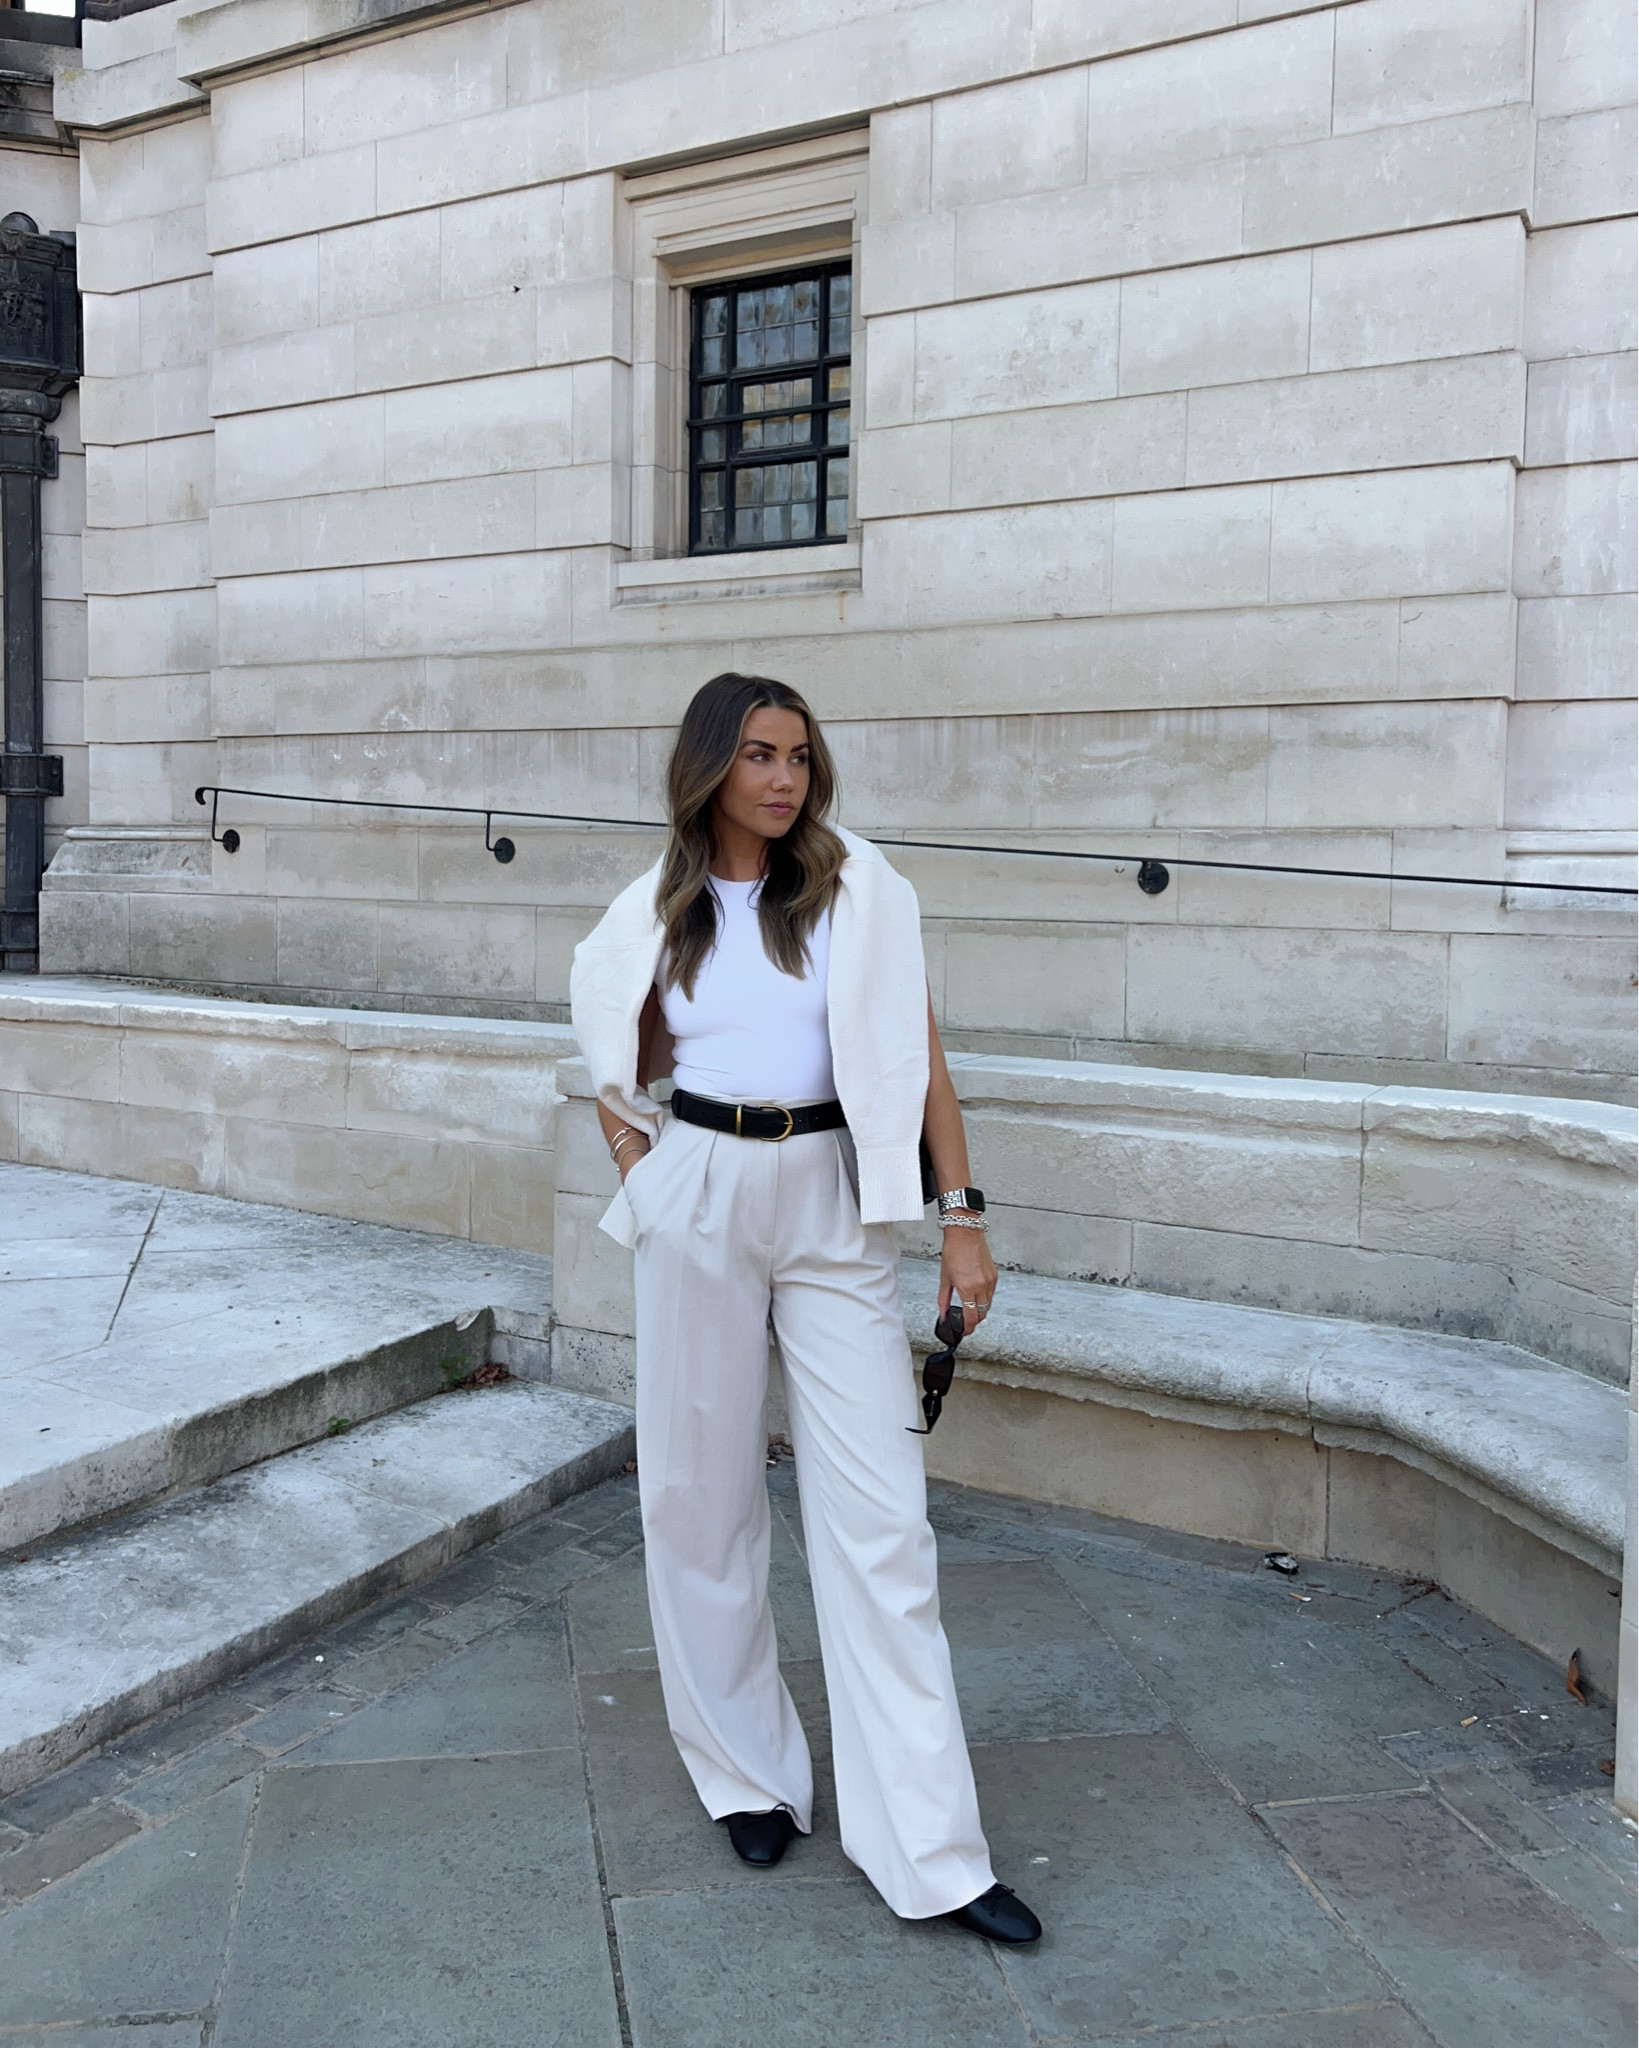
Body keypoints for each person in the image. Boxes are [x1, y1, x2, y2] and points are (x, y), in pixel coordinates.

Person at [570, 671, 1042, 1944]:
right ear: (709, 766)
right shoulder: (654, 910)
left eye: (797, 755)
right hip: (701, 1188)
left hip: (834, 1194)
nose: (783, 778)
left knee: (884, 1521)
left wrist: (962, 1217)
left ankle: (932, 1851)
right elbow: (616, 1063)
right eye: (758, 755)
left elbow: (920, 1053)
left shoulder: (859, 888)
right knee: (698, 1495)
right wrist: (642, 1173)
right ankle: (746, 1771)